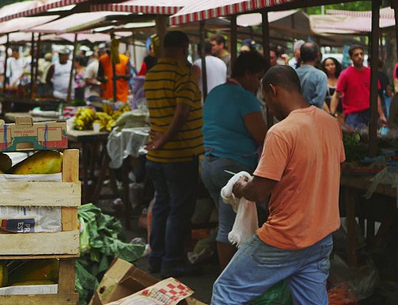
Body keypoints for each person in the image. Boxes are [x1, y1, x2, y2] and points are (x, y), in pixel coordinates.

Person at [211, 65, 344, 304]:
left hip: (286, 237)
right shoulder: (330, 123)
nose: (269, 110)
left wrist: (240, 187)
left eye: (267, 101)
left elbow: (259, 191)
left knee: (226, 289)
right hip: (321, 236)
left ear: (273, 91)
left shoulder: (280, 132)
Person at [201, 51, 269, 271]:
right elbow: (261, 135)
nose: (259, 83)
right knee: (229, 227)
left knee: (227, 222)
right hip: (231, 168)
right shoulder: (244, 98)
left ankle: (232, 278)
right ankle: (228, 283)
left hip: (209, 165)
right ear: (247, 74)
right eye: (258, 77)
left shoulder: (215, 92)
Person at [144, 31, 203, 278]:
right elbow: (181, 113)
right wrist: (163, 140)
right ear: (184, 47)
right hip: (178, 154)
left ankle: (155, 259)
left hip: (156, 159)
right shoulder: (182, 75)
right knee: (179, 209)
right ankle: (174, 261)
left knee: (161, 207)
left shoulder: (152, 74)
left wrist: (158, 142)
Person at [330, 45, 386, 128]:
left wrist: (381, 114)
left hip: (369, 113)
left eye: (361, 54)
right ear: (351, 58)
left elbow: (375, 95)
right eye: (356, 55)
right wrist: (332, 114)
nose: (359, 57)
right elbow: (337, 95)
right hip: (353, 114)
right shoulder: (345, 74)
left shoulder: (371, 72)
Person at [295, 41, 327, 109]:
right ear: (318, 55)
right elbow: (318, 101)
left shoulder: (292, 73)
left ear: (300, 55)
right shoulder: (321, 76)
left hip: (295, 114)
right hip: (314, 116)